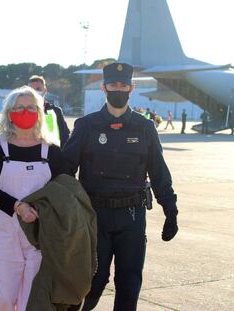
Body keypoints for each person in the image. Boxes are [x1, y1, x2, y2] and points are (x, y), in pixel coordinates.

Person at [64, 63, 179, 311]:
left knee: (129, 282)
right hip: (95, 216)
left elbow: (159, 172)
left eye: (123, 85)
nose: (119, 89)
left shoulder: (145, 127)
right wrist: (58, 209)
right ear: (104, 87)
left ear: (131, 88)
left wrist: (171, 210)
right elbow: (65, 170)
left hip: (132, 216)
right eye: (114, 85)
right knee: (92, 280)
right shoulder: (86, 126)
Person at [0, 86, 65, 311]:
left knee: (31, 299)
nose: (25, 112)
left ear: (39, 112)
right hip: (4, 228)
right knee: (3, 298)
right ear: (9, 113)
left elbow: (63, 190)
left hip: (39, 232)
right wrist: (17, 206)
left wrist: (41, 212)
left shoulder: (52, 150)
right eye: (19, 108)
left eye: (31, 107)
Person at [28, 75, 70, 147]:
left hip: (51, 153)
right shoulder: (21, 112)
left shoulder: (55, 111)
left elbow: (64, 137)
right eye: (31, 90)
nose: (35, 92)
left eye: (38, 89)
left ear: (45, 90)